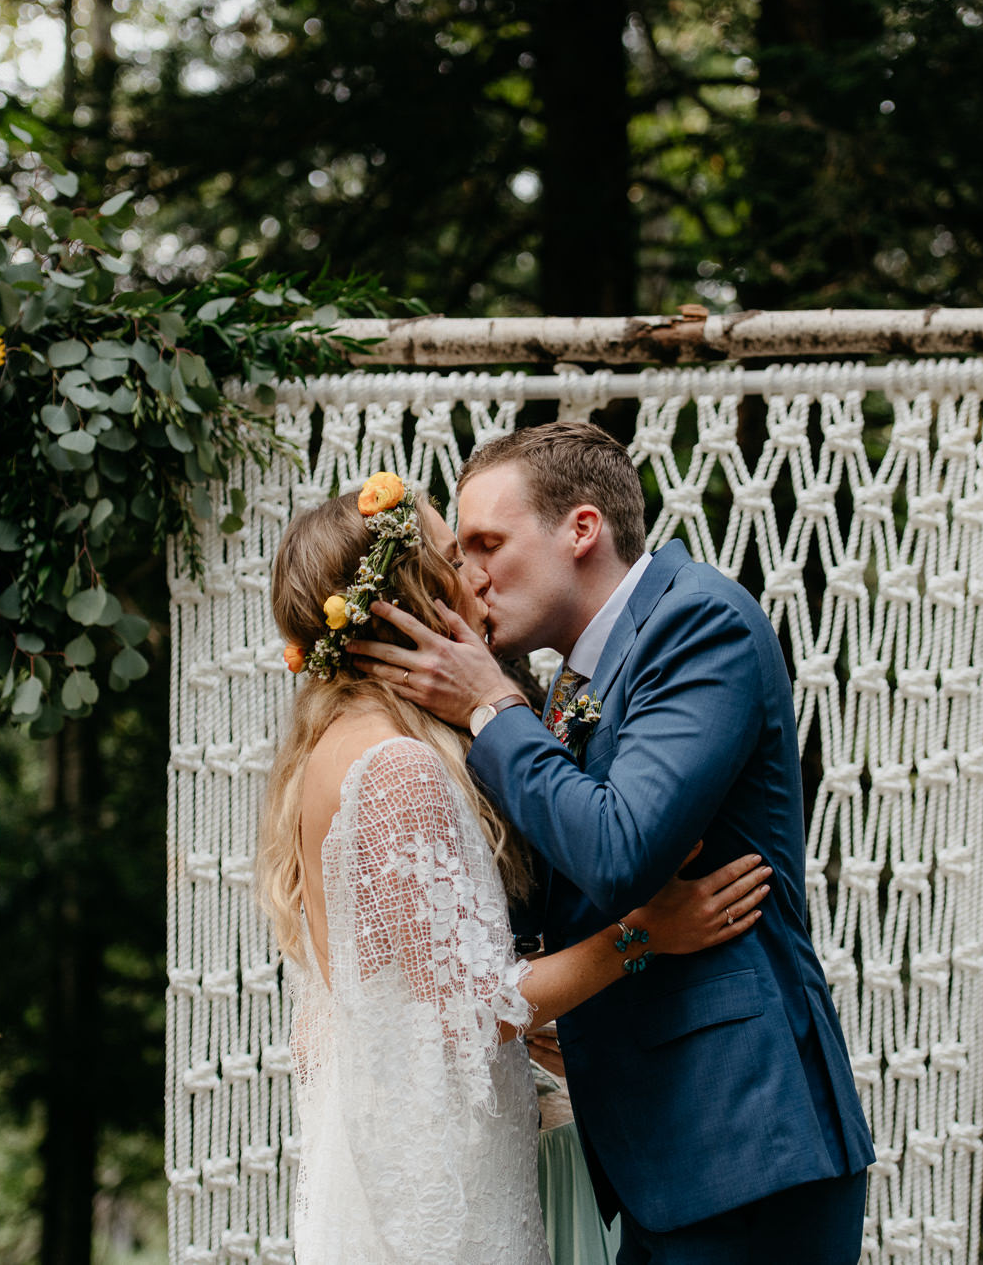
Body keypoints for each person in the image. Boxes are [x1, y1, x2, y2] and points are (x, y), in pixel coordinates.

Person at [350, 422, 875, 1264]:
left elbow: (621, 849)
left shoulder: (700, 623)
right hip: (659, 1148)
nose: (470, 575)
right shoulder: (571, 681)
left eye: (488, 542)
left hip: (743, 1142)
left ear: (581, 529)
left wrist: (492, 712)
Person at [258, 479, 774, 1264]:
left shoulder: (334, 746)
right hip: (443, 1181)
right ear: (412, 596)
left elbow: (390, 1001)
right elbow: (475, 1007)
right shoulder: (395, 766)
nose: (475, 575)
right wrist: (644, 933)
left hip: (397, 1151)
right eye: (450, 556)